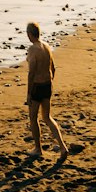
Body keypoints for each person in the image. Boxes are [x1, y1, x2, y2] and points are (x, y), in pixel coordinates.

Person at [25, 23, 70, 161]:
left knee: (33, 117)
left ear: (30, 34)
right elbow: (53, 68)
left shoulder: (33, 49)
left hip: (37, 86)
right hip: (47, 84)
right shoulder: (47, 46)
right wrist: (50, 81)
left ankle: (38, 148)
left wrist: (29, 93)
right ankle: (62, 147)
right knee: (47, 117)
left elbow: (31, 72)